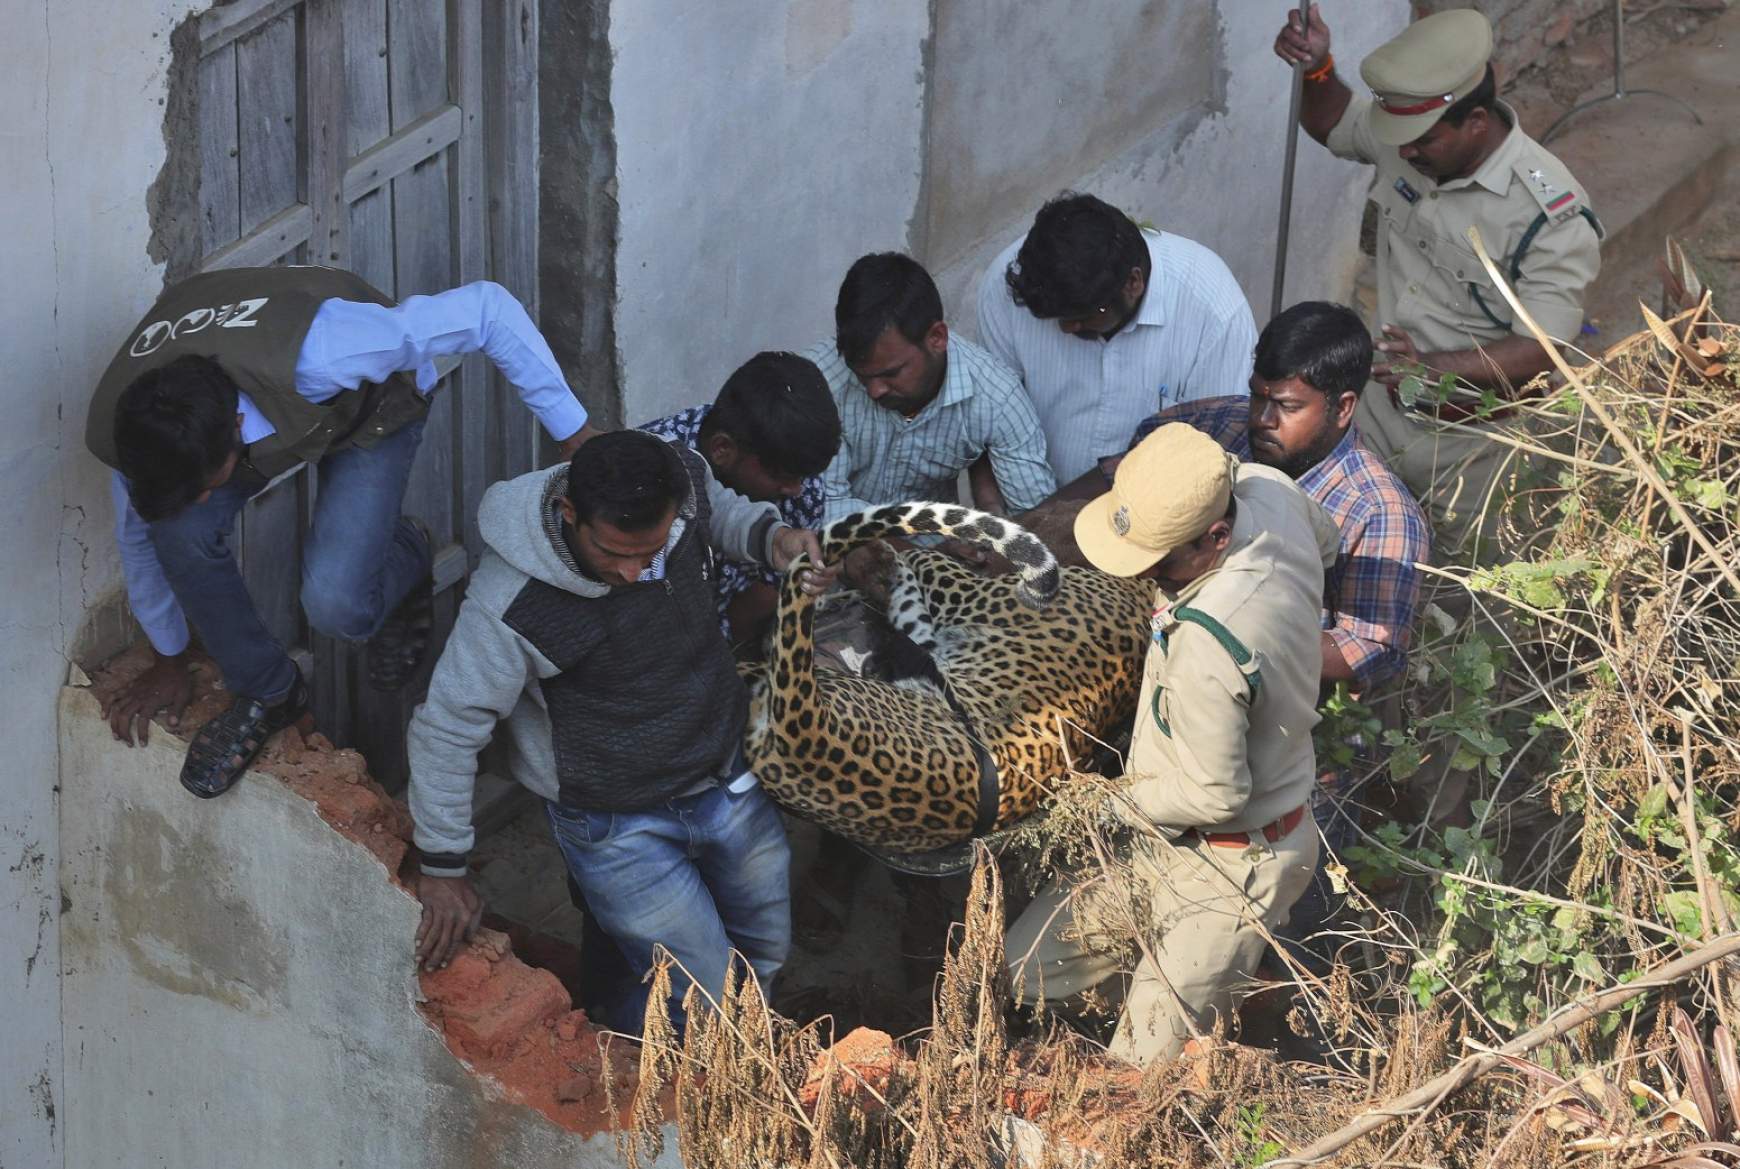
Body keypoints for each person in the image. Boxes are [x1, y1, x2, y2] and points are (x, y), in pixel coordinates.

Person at [87, 266, 597, 799]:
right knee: (179, 531)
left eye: (204, 485)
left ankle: (409, 549)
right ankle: (271, 693)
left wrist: (574, 433)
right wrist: (168, 657)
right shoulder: (138, 429)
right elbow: (139, 535)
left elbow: (488, 309)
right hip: (250, 395)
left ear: (237, 431)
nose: (202, 500)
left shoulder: (331, 350)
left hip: (370, 411)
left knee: (338, 607)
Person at [405, 429, 836, 1033]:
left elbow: (722, 513)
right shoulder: (514, 604)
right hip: (616, 827)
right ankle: (664, 1084)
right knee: (706, 998)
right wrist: (443, 867)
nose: (634, 573)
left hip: (724, 779)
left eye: (651, 551)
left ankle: (713, 1050)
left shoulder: (681, 478)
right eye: (614, 553)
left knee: (763, 953)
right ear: (570, 513)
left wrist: (773, 539)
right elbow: (448, 725)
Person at [1005, 423, 1339, 1063]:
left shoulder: (1209, 643)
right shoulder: (1267, 491)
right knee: (1030, 970)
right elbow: (1329, 540)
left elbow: (1215, 794)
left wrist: (1103, 805)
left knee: (1139, 1074)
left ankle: (1211, 1022)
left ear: (1215, 536)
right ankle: (1169, 995)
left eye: (1159, 563)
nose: (1148, 576)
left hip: (1234, 862)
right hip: (1161, 842)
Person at [1134, 302, 1430, 953]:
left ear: (1343, 407)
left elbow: (1367, 650)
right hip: (1191, 727)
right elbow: (1146, 449)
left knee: (1288, 939)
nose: (1262, 421)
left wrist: (1228, 640)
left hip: (1303, 769)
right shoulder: (1223, 433)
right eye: (1257, 396)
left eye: (1287, 406)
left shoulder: (1381, 513)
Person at [1274, 6, 1601, 556]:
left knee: (1472, 595)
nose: (1403, 153)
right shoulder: (1414, 137)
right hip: (1379, 417)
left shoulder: (1549, 215)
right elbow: (1335, 123)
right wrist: (1318, 69)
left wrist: (1429, 369)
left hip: (1476, 445)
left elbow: (1548, 346)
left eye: (1420, 142)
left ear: (1476, 121)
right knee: (1344, 558)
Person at [976, 193, 1258, 488]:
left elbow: (1217, 455)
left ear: (1133, 283)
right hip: (1036, 500)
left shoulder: (1213, 309)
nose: (1067, 328)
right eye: (1055, 317)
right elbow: (993, 424)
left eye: (1083, 315)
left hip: (1160, 507)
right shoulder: (1008, 286)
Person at [805, 252, 1056, 529]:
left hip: (937, 553)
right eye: (861, 375)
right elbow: (821, 505)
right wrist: (916, 536)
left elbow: (1035, 517)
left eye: (891, 373)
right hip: (834, 553)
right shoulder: (817, 383)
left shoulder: (997, 398)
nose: (875, 390)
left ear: (937, 338)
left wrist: (991, 520)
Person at [638, 351, 841, 646]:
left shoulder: (798, 484)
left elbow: (762, 598)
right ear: (722, 449)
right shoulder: (651, 474)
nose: (796, 489)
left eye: (800, 477)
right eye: (782, 476)